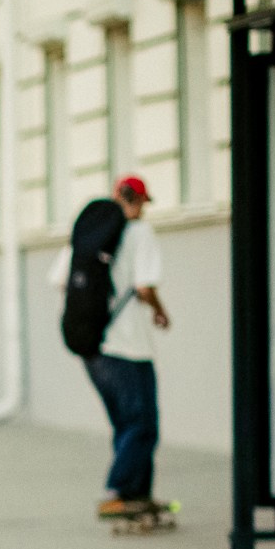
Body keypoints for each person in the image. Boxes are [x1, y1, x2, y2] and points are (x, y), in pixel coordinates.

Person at [53, 175, 170, 516]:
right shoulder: (140, 233)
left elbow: (60, 281)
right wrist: (160, 311)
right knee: (143, 424)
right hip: (130, 346)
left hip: (95, 346)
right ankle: (119, 492)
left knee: (126, 424)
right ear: (140, 201)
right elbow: (145, 287)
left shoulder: (88, 234)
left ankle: (138, 495)